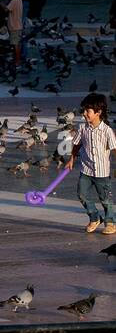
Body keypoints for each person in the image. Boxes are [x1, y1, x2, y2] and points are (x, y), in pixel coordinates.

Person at [67, 93, 116, 234]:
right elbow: (76, 144)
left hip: (102, 172)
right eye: (84, 111)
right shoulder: (83, 128)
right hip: (86, 170)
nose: (84, 114)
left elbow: (114, 149)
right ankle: (94, 217)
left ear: (98, 112)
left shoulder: (107, 131)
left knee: (105, 199)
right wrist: (71, 159)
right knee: (81, 194)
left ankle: (111, 222)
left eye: (87, 111)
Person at [5, 0, 24, 67]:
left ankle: (17, 61)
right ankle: (17, 59)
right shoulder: (20, 0)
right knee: (17, 44)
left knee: (15, 45)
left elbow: (7, 9)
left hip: (14, 26)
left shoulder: (14, 1)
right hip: (19, 25)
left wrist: (2, 5)